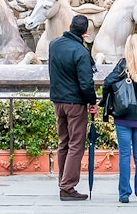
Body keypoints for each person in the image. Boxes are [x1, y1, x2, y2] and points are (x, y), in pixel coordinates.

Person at [98, 33, 137, 204]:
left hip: (123, 115)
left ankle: (124, 194)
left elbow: (108, 82)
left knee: (124, 155)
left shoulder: (124, 64)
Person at [49, 14, 98, 201]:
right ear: (86, 32)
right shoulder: (81, 52)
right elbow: (86, 83)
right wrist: (92, 102)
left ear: (69, 26)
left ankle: (62, 181)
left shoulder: (54, 45)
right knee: (76, 145)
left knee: (63, 142)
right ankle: (68, 187)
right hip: (75, 104)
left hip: (58, 101)